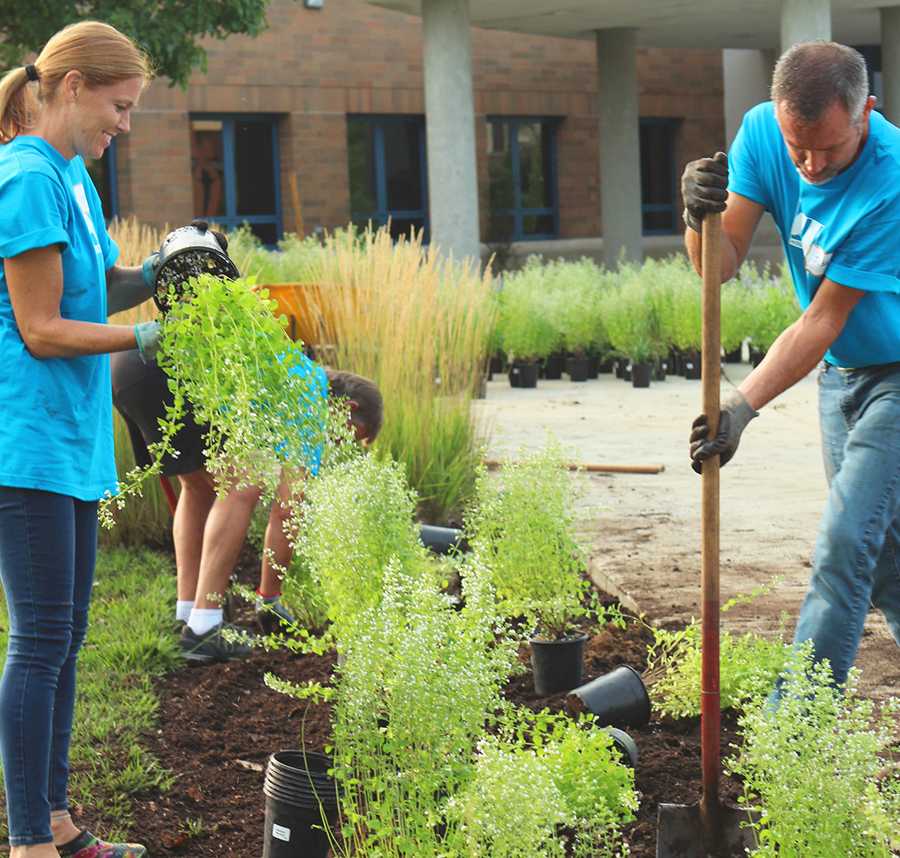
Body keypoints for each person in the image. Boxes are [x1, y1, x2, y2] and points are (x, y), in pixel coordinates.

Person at [683, 41, 900, 696]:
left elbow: (824, 319)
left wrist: (741, 407)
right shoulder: (761, 133)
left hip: (894, 375)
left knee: (843, 546)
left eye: (828, 149)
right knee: (886, 560)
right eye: (796, 146)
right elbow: (717, 267)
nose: (810, 164)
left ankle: (796, 730)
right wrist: (697, 216)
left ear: (864, 111)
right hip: (841, 380)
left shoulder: (891, 179)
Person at [0, 20, 164, 858]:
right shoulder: (25, 176)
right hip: (24, 440)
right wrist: (144, 341)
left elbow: (99, 288)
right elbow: (40, 327)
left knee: (64, 636)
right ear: (70, 87)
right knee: (37, 639)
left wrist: (170, 269)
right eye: (119, 106)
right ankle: (28, 840)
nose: (123, 127)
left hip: (70, 440)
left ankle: (58, 822)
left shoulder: (73, 177)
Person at [111, 345, 383, 663]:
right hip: (165, 370)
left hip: (131, 364)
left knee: (197, 487)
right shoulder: (309, 396)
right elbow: (287, 510)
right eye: (349, 434)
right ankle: (204, 628)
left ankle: (189, 615)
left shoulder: (293, 369)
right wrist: (269, 599)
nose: (337, 443)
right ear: (346, 407)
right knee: (245, 482)